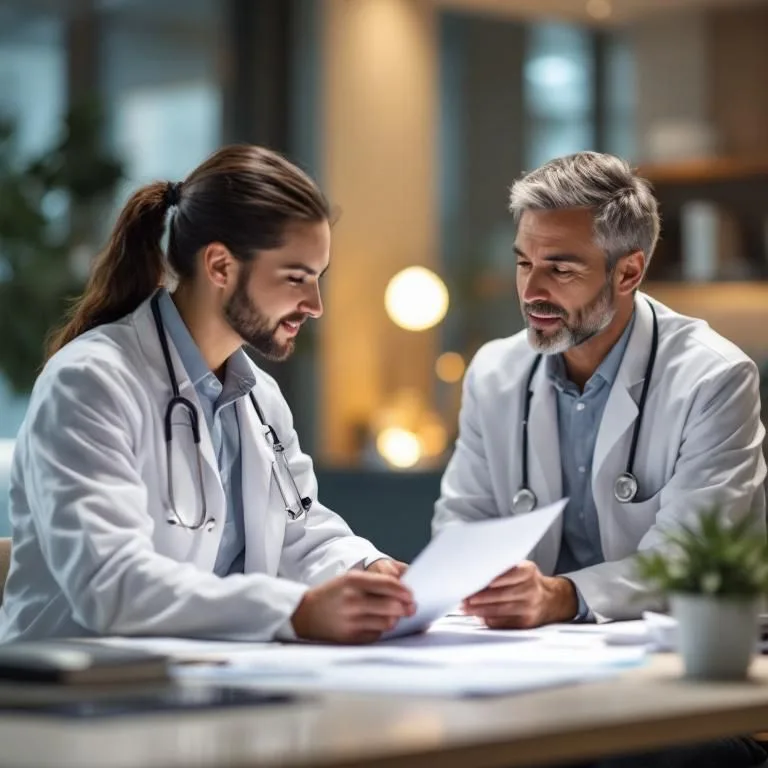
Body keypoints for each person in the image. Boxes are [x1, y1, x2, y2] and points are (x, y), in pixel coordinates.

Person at [0, 144, 415, 644]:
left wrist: (368, 568)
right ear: (220, 266)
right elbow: (112, 584)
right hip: (79, 682)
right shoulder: (89, 382)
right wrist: (296, 612)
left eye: (317, 279)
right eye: (296, 278)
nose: (315, 304)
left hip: (208, 674)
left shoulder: (259, 398)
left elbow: (300, 532)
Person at [434, 151, 766, 628]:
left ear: (628, 272)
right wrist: (481, 585)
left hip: (676, 645)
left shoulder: (713, 379)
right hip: (528, 648)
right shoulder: (494, 373)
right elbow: (462, 525)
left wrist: (560, 596)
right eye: (524, 263)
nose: (530, 291)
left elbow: (690, 556)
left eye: (560, 270)